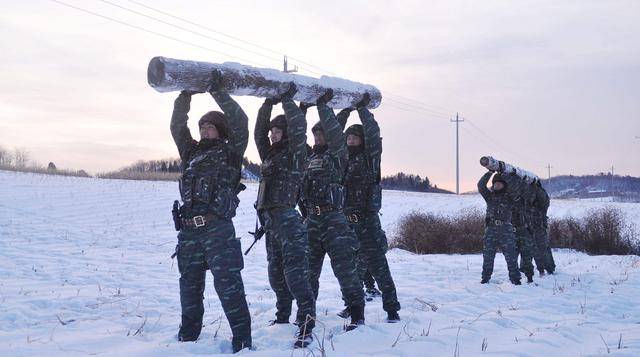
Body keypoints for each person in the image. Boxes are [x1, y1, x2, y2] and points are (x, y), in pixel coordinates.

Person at [170, 70, 251, 353]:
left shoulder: (230, 154)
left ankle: (242, 339)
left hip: (218, 230)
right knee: (189, 286)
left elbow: (241, 123)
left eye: (210, 127)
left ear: (221, 131)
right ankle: (188, 336)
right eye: (202, 127)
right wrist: (185, 96)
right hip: (189, 231)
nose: (204, 131)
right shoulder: (191, 153)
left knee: (229, 286)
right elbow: (177, 128)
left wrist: (217, 90)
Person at [254, 83, 316, 348]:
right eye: (273, 131)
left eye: (278, 131)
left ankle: (306, 322)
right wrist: (268, 104)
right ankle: (282, 316)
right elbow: (258, 134)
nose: (272, 135)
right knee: (275, 273)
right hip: (270, 222)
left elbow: (300, 130)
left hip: (289, 220)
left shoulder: (295, 154)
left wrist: (288, 101)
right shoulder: (269, 154)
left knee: (295, 274)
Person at [302, 89, 366, 331]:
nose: (317, 138)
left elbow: (335, 128)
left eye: (322, 134)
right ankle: (306, 316)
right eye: (315, 135)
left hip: (334, 220)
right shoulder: (308, 158)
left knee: (345, 270)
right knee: (308, 273)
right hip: (312, 220)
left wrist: (324, 105)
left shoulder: (338, 155)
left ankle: (357, 315)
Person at [335, 94, 401, 322]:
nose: (351, 141)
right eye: (348, 138)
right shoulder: (341, 160)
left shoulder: (370, 158)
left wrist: (361, 108)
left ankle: (392, 309)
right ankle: (352, 306)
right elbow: (333, 133)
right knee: (349, 269)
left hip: (367, 221)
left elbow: (372, 131)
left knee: (378, 266)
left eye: (355, 138)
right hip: (346, 222)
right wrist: (344, 111)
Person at [477, 170, 522, 285]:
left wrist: (507, 176)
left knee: (511, 256)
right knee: (488, 256)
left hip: (505, 230)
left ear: (504, 185)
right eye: (495, 183)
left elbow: (517, 190)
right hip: (491, 230)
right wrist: (490, 172)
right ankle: (485, 278)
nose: (497, 184)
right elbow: (481, 185)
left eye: (499, 183)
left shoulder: (510, 197)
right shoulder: (489, 196)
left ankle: (515, 279)